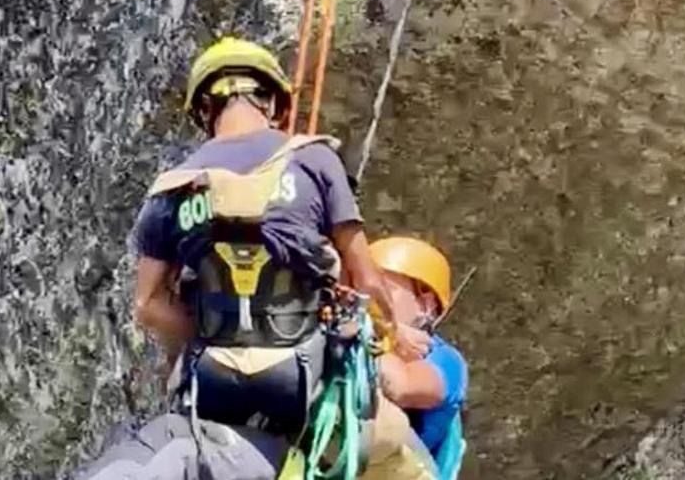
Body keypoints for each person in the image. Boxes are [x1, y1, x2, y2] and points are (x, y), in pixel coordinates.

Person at [77, 35, 425, 480]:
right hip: (302, 373)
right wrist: (394, 334)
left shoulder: (171, 188)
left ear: (205, 109)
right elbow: (366, 278)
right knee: (389, 448)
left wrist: (209, 336)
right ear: (272, 102)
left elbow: (147, 307)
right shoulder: (314, 158)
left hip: (214, 381)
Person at [367, 236, 469, 475]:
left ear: (426, 305)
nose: (370, 299)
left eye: (382, 289)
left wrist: (378, 330)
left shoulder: (445, 360)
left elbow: (400, 386)